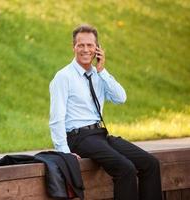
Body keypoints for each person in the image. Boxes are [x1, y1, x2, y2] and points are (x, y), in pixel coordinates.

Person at [49, 24, 163, 200]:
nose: (85, 49)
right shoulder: (63, 77)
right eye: (81, 45)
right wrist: (64, 152)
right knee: (126, 168)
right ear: (73, 47)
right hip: (79, 138)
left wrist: (102, 70)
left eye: (90, 45)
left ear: (97, 49)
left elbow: (121, 98)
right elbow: (56, 118)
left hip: (101, 134)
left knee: (150, 164)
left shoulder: (99, 75)